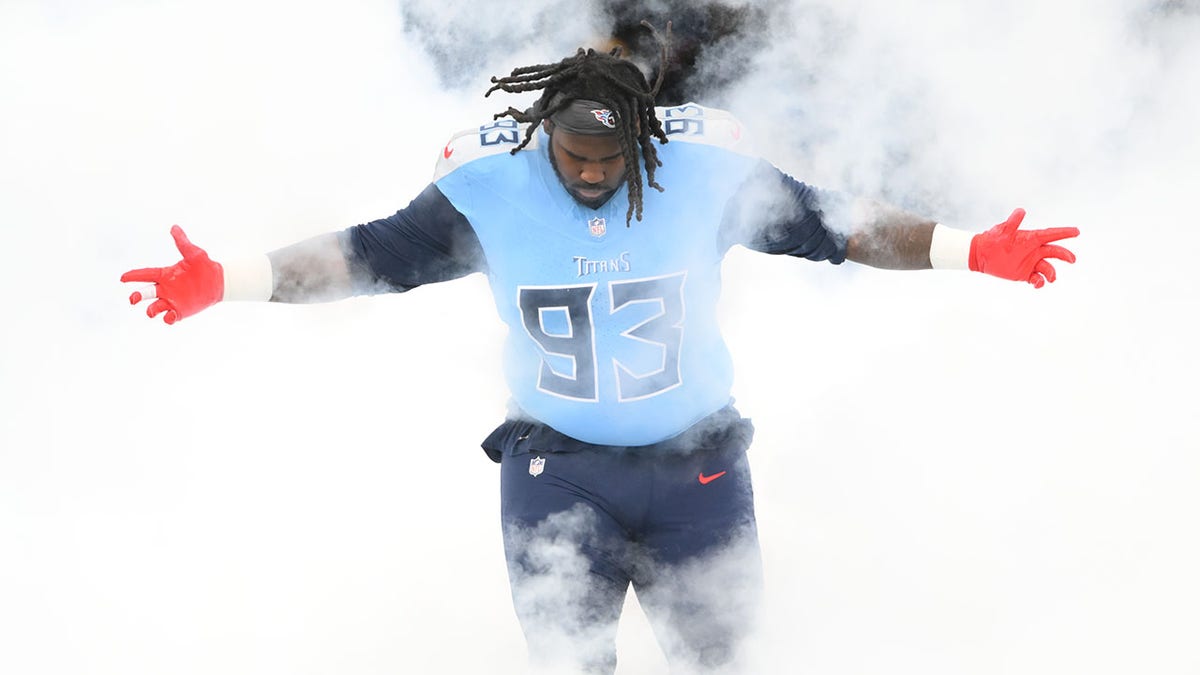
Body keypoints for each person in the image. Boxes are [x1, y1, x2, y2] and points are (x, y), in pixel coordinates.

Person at [121, 27, 1079, 674]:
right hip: (557, 467)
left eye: (609, 158)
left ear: (645, 141)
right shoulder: (490, 186)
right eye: (572, 154)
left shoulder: (705, 172)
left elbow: (840, 225)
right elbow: (367, 256)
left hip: (698, 464)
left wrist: (968, 249)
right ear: (542, 134)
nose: (588, 172)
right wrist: (233, 279)